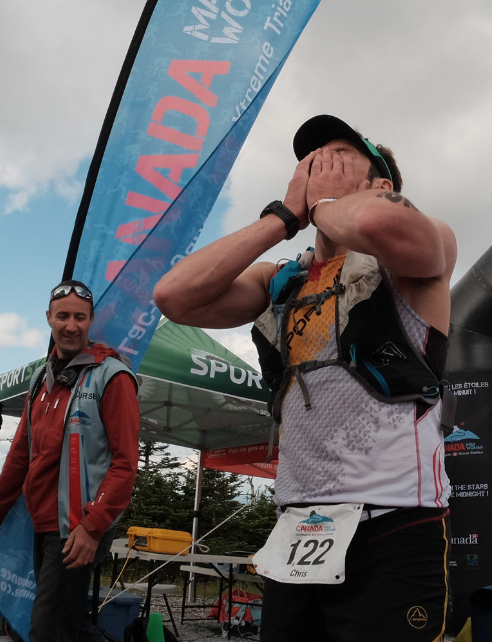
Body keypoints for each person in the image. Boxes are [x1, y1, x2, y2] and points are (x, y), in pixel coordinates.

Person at [153, 115, 457, 641]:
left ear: (381, 183)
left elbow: (377, 225)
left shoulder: (417, 249)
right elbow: (173, 296)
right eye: (313, 157)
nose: (320, 162)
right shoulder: (282, 278)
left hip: (395, 521)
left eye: (340, 155)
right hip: (299, 525)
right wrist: (283, 216)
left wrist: (326, 204)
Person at [0, 280, 140, 642]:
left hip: (78, 529)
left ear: (91, 320)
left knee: (47, 631)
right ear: (49, 318)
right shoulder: (40, 378)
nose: (71, 326)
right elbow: (20, 456)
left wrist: (92, 527)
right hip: (41, 524)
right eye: (63, 316)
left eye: (80, 317)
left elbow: (125, 462)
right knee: (65, 626)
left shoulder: (113, 376)